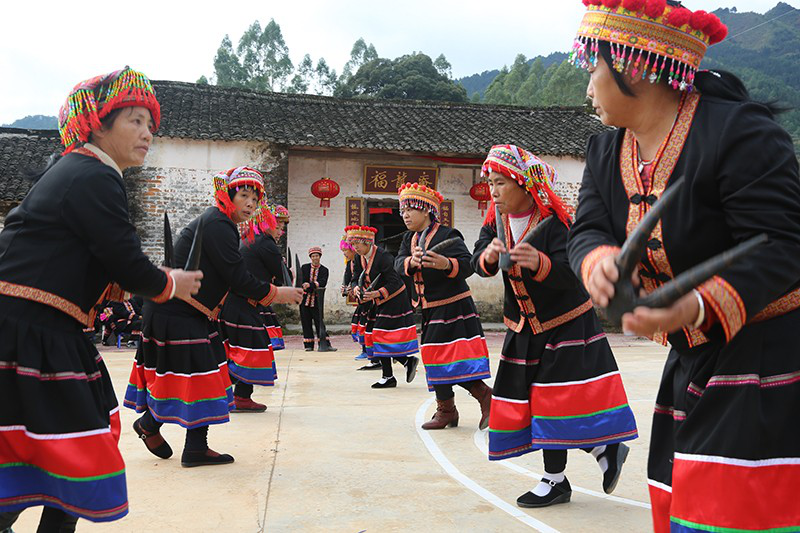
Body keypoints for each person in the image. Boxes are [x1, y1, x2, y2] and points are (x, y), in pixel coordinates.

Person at [566, 1, 800, 530]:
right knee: (683, 504)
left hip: (766, 353)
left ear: (632, 66)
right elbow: (587, 231)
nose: (588, 88)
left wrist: (695, 304)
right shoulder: (605, 152)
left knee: (729, 512)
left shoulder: (740, 134)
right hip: (690, 359)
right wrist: (599, 262)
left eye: (592, 68)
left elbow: (781, 246)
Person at [0, 67, 202, 531]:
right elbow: (126, 263)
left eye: (150, 124)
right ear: (97, 124)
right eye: (135, 120)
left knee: (62, 445)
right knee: (67, 446)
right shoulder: (92, 174)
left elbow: (108, 264)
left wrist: (155, 279)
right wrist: (170, 283)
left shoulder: (82, 172)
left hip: (41, 327)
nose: (148, 133)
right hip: (27, 329)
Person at [472, 145, 638, 508]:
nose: (493, 191)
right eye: (491, 183)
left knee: (554, 401)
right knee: (534, 402)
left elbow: (572, 274)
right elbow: (478, 259)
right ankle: (601, 451)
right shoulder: (495, 223)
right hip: (524, 326)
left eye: (500, 183)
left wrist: (540, 263)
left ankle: (557, 478)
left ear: (525, 185)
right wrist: (486, 257)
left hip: (566, 324)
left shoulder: (556, 224)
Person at [124, 167, 302, 468]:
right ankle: (181, 441)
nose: (250, 204)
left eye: (254, 199)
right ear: (227, 196)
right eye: (243, 195)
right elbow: (238, 278)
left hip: (186, 311)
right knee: (201, 376)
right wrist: (278, 293)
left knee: (199, 376)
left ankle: (162, 431)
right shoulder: (219, 224)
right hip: (177, 310)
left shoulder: (221, 223)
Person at [394, 183, 492, 430]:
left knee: (448, 358)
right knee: (434, 356)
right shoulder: (408, 239)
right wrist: (410, 262)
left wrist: (446, 264)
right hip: (429, 307)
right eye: (403, 211)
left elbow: (468, 265)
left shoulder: (448, 235)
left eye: (410, 210)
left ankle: (481, 397)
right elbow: (398, 264)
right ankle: (448, 409)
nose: (405, 215)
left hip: (454, 306)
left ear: (426, 210)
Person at [219, 203, 282, 413]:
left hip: (234, 303)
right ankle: (236, 396)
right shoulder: (265, 243)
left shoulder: (248, 240)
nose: (280, 230)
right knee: (252, 351)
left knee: (240, 351)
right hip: (243, 303)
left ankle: (234, 395)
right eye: (278, 225)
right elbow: (281, 275)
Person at [346, 225, 420, 388]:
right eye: (353, 244)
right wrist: (356, 287)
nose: (355, 247)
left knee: (380, 334)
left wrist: (377, 293)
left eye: (357, 244)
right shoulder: (359, 258)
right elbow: (355, 277)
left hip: (394, 299)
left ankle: (390, 375)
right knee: (374, 335)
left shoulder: (384, 257)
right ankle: (404, 363)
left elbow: (395, 282)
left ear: (367, 242)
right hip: (376, 301)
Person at [298, 247, 335, 352]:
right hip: (304, 299)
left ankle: (325, 344)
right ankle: (308, 345)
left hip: (317, 300)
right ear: (310, 257)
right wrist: (311, 285)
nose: (315, 258)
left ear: (320, 257)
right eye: (313, 256)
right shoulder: (304, 268)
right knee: (306, 322)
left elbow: (322, 283)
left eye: (317, 256)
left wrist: (310, 285)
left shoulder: (324, 270)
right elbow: (301, 281)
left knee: (319, 321)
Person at [340, 234, 367, 360]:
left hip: (367, 299)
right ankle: (366, 350)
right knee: (359, 325)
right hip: (361, 300)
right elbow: (348, 279)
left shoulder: (361, 261)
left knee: (364, 325)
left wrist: (355, 287)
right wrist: (345, 288)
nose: (344, 253)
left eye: (345, 250)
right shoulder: (349, 264)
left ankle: (369, 351)